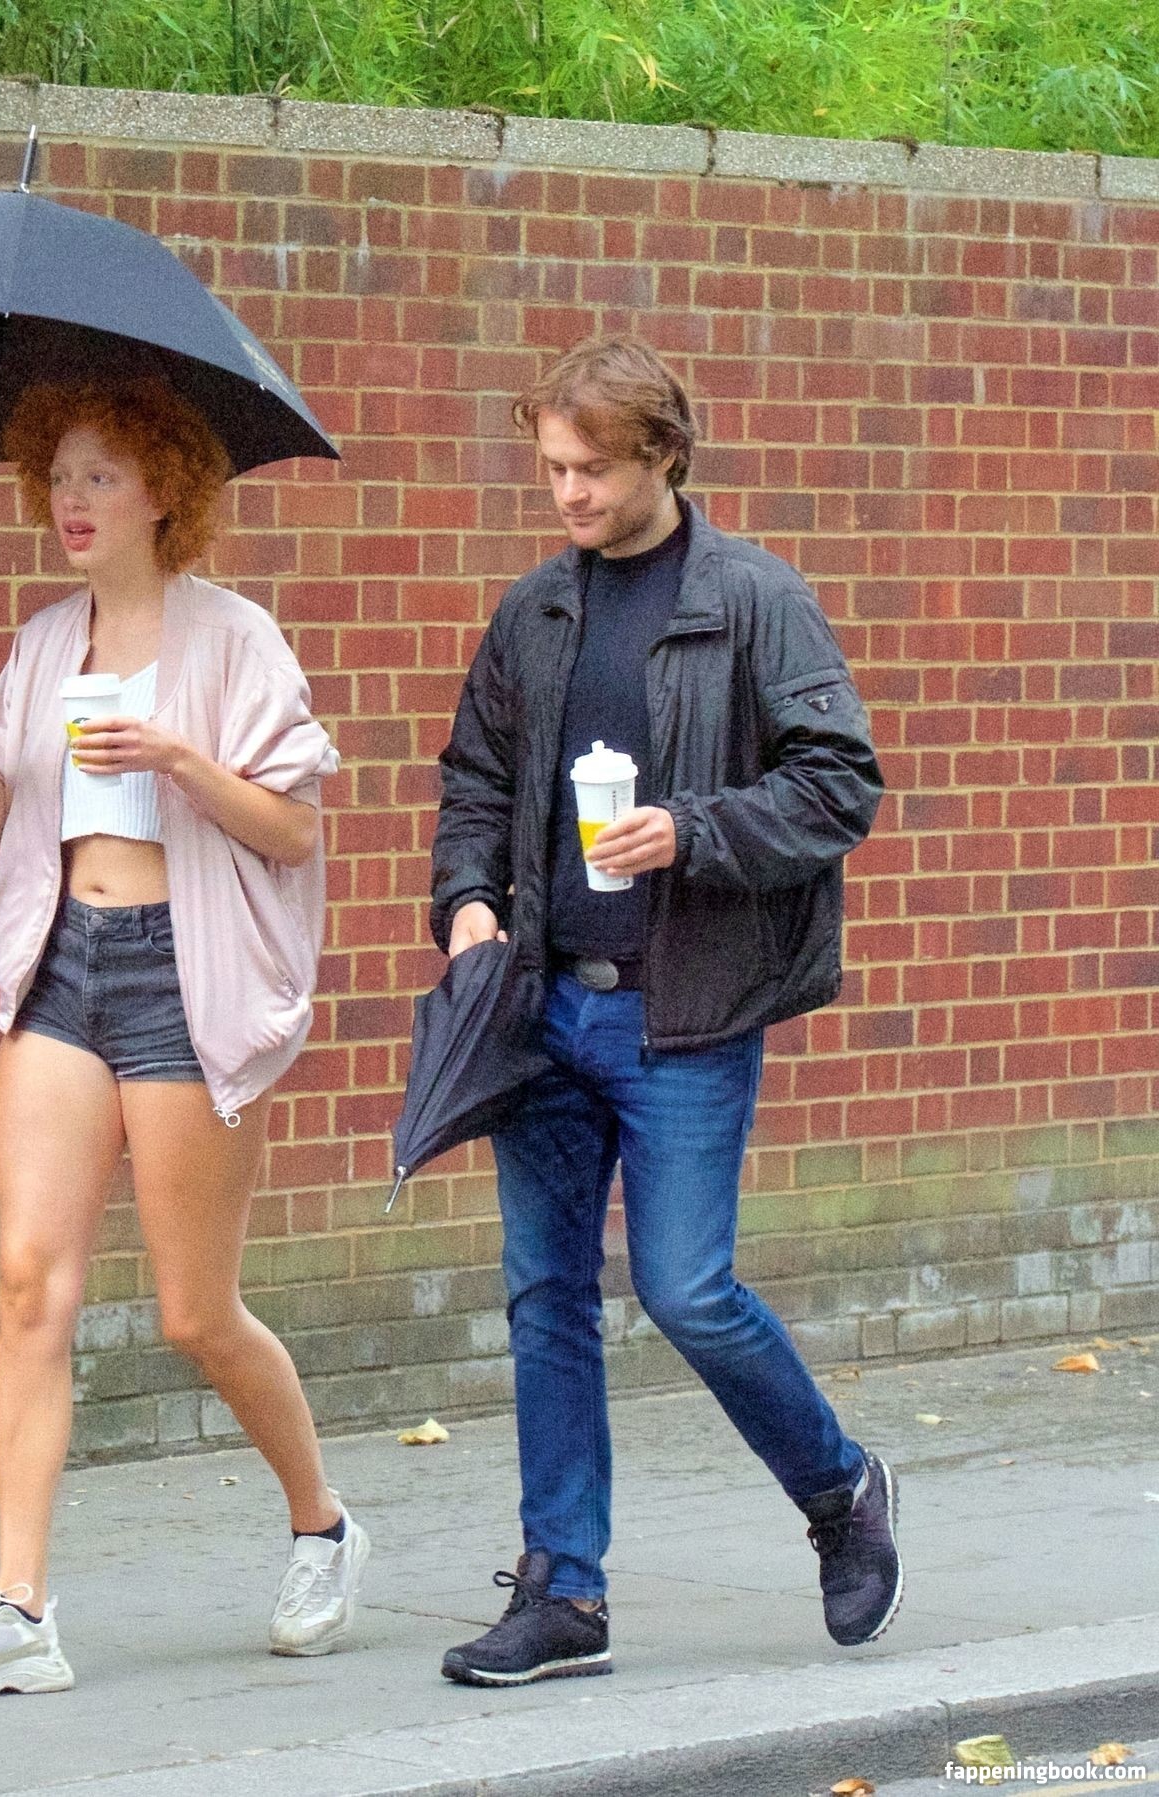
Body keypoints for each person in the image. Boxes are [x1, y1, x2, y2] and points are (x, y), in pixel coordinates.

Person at [428, 334, 896, 1688]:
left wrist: (690, 830)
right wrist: (468, 903)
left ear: (664, 456)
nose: (567, 493)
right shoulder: (536, 610)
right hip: (541, 1010)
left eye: (591, 469)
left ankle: (840, 1489)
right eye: (552, 469)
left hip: (683, 1011)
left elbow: (839, 784)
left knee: (687, 1288)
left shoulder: (755, 599)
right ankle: (563, 1589)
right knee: (545, 1296)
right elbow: (475, 777)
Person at [0, 375, 364, 1698]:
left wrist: (177, 760)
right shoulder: (47, 643)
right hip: (63, 968)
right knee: (28, 1281)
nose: (72, 500)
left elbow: (294, 829)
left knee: (195, 1313)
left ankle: (323, 1525)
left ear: (165, 489)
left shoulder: (235, 640)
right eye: (59, 477)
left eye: (101, 476)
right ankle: (18, 1607)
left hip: (183, 975)